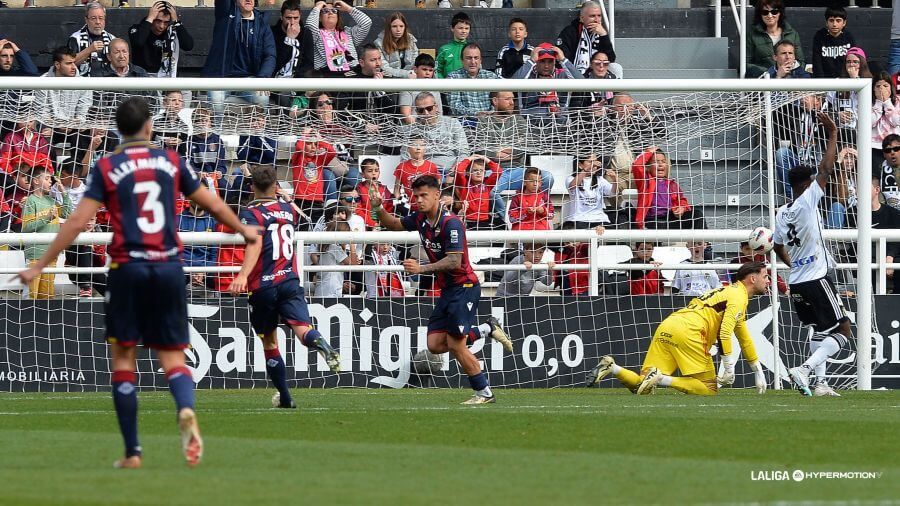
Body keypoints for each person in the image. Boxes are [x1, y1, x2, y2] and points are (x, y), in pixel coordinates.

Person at [15, 97, 259, 469]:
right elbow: (210, 202)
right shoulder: (171, 160)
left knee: (124, 358)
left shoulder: (108, 165)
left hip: (127, 267)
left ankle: (132, 452)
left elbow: (77, 222)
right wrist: (243, 229)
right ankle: (186, 409)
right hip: (167, 266)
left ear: (118, 129)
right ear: (149, 126)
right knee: (172, 355)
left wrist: (40, 265)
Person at [371, 175, 513, 404]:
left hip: (465, 287)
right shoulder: (420, 219)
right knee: (435, 345)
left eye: (423, 195)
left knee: (456, 345)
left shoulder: (451, 223)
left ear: (437, 195)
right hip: (448, 290)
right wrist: (377, 208)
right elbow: (394, 224)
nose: (418, 200)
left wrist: (421, 269)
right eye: (415, 196)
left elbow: (454, 261)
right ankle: (487, 328)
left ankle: (484, 393)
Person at [228, 165, 341, 409]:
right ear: (277, 187)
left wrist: (242, 275)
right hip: (289, 280)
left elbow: (255, 243)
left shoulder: (251, 213)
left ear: (251, 188)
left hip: (263, 285)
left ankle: (286, 397)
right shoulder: (289, 209)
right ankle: (320, 342)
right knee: (303, 330)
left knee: (269, 342)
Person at [587, 261, 770, 396]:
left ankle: (612, 367)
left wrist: (757, 370)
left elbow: (744, 337)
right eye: (765, 276)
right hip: (691, 330)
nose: (768, 280)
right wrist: (729, 367)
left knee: (643, 386)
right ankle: (661, 378)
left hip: (670, 323)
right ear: (753, 278)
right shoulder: (738, 297)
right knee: (708, 388)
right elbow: (724, 332)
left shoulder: (731, 293)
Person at [773, 112, 848, 397]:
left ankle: (820, 384)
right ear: (807, 183)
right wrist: (833, 133)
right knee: (843, 330)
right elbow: (826, 168)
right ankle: (804, 369)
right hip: (817, 277)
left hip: (797, 281)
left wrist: (791, 264)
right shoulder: (807, 200)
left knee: (819, 330)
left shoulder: (782, 211)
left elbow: (777, 245)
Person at [203, 0, 276, 118]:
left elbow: (270, 55)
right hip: (222, 77)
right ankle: (216, 135)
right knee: (216, 98)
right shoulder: (225, 14)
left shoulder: (262, 22)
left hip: (249, 79)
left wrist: (262, 78)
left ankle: (258, 136)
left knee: (262, 97)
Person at [22, 169, 71, 299]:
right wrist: (47, 218)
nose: (51, 182)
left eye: (51, 179)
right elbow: (26, 227)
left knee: (47, 296)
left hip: (51, 255)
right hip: (35, 256)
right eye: (47, 179)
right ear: (36, 181)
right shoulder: (30, 201)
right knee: (31, 295)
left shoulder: (51, 201)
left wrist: (63, 192)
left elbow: (68, 214)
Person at [632, 146, 702, 229]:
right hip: (652, 220)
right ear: (648, 167)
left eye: (663, 161)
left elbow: (681, 200)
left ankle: (703, 241)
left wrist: (681, 208)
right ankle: (650, 242)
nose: (661, 164)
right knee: (658, 226)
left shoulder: (672, 184)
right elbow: (637, 166)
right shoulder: (645, 180)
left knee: (697, 214)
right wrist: (649, 152)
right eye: (656, 162)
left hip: (670, 219)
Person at [402, 92, 469, 172]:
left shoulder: (452, 123)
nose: (426, 113)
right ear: (416, 111)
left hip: (450, 171)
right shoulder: (411, 128)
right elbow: (405, 156)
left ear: (436, 107)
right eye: (420, 110)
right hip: (422, 173)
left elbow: (464, 152)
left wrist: (454, 172)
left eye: (429, 108)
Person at [512, 43, 581, 119]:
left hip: (560, 124)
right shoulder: (528, 75)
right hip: (531, 123)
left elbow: (583, 84)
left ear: (555, 61)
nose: (546, 66)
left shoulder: (562, 75)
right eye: (542, 61)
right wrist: (531, 61)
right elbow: (513, 84)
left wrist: (563, 60)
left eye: (550, 61)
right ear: (537, 61)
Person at [128, 1, 195, 78]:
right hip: (142, 77)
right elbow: (138, 43)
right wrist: (149, 19)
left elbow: (188, 46)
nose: (161, 26)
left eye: (166, 22)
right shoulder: (137, 29)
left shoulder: (171, 32)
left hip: (166, 76)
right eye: (158, 21)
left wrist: (176, 21)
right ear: (152, 17)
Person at [306, 0, 372, 77]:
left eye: (334, 11)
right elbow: (310, 27)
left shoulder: (348, 32)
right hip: (328, 75)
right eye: (325, 11)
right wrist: (317, 7)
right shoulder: (316, 34)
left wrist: (348, 8)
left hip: (353, 73)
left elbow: (367, 23)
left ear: (338, 17)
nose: (330, 13)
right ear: (320, 18)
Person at [745, 0, 804, 78]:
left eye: (774, 12)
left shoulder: (792, 34)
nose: (770, 15)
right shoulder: (752, 35)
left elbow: (801, 62)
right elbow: (745, 63)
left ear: (780, 13)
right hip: (764, 80)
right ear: (760, 14)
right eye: (765, 12)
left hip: (789, 78)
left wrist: (786, 69)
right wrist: (771, 72)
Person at [556, 1, 615, 76]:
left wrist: (604, 35)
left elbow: (611, 58)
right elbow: (562, 60)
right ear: (582, 18)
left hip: (595, 75)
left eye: (599, 16)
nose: (597, 20)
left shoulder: (601, 34)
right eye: (592, 16)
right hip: (574, 75)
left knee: (616, 68)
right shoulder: (570, 32)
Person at [564, 153, 617, 229]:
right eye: (590, 162)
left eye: (595, 161)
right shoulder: (570, 179)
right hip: (579, 219)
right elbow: (573, 186)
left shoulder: (600, 179)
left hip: (599, 219)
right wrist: (586, 170)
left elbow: (612, 193)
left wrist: (615, 180)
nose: (594, 165)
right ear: (580, 165)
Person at [446, 43, 498, 120]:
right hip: (465, 124)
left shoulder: (491, 77)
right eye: (469, 58)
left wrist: (491, 113)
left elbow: (498, 101)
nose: (473, 62)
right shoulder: (453, 78)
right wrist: (476, 114)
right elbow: (454, 106)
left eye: (476, 58)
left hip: (490, 121)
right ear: (462, 60)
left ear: (480, 60)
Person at [392, 137, 439, 215]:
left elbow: (438, 187)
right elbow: (397, 189)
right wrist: (398, 202)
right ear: (408, 149)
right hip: (409, 207)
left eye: (421, 145)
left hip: (428, 206)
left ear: (425, 148)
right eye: (414, 145)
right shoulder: (401, 167)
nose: (418, 148)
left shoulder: (432, 167)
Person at [68, 2, 116, 76]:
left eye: (101, 18)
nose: (98, 22)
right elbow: (68, 63)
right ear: (86, 20)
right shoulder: (75, 38)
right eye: (93, 18)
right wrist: (89, 50)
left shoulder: (112, 39)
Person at [811, 5, 855, 79]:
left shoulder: (848, 37)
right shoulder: (819, 36)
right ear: (826, 23)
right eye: (831, 20)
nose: (834, 24)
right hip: (825, 81)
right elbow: (817, 63)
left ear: (844, 23)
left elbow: (854, 60)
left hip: (845, 80)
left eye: (838, 20)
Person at [397, 54, 444, 124]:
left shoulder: (435, 89)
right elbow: (406, 116)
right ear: (415, 69)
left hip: (432, 129)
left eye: (430, 70)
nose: (428, 73)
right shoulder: (407, 87)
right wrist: (421, 130)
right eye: (424, 69)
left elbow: (439, 114)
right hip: (411, 130)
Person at [374, 12, 419, 79]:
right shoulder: (379, 43)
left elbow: (415, 61)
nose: (398, 30)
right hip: (389, 80)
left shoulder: (411, 40)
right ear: (389, 28)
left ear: (405, 27)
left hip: (410, 78)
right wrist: (406, 74)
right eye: (394, 26)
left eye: (401, 26)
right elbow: (385, 68)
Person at [508, 167, 553, 231]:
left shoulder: (544, 196)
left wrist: (543, 211)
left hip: (541, 233)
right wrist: (526, 213)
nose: (535, 184)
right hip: (521, 233)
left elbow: (552, 215)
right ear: (525, 182)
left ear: (541, 182)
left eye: (538, 181)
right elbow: (512, 219)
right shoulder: (517, 197)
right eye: (531, 181)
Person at [872, 72, 900, 172]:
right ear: (873, 88)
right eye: (878, 86)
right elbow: (869, 122)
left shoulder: (898, 101)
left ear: (891, 87)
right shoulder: (868, 102)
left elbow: (896, 121)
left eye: (885, 86)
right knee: (876, 176)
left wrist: (887, 103)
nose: (881, 89)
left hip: (894, 147)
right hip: (874, 146)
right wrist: (879, 103)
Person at [435, 11, 470, 78]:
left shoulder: (472, 49)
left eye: (466, 28)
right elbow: (437, 71)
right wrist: (444, 85)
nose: (464, 31)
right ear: (452, 28)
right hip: (448, 87)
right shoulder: (444, 49)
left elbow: (478, 70)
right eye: (460, 28)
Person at [879, 134, 900, 210]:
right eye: (888, 150)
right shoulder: (879, 168)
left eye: (896, 149)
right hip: (889, 214)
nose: (892, 152)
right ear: (884, 154)